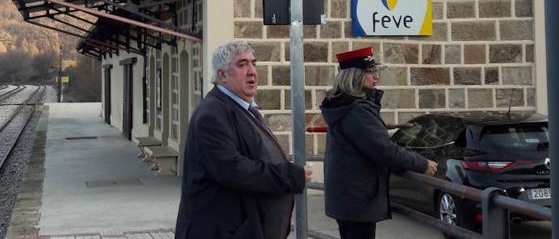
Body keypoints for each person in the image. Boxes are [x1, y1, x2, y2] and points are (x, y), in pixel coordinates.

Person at [175, 41, 312, 239]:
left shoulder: (240, 108)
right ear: (222, 76)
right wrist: (289, 175)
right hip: (219, 231)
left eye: (253, 63)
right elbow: (233, 170)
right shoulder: (212, 115)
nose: (251, 71)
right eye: (242, 65)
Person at [320, 47, 438, 239]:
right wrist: (421, 163)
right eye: (371, 72)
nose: (376, 78)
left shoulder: (345, 105)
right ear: (355, 76)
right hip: (358, 198)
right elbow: (384, 149)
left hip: (348, 197)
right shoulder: (357, 110)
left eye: (377, 72)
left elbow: (369, 139)